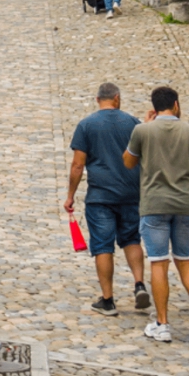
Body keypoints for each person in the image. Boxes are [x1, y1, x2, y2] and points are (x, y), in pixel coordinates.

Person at [125, 85, 189, 343]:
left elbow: (128, 162)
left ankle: (162, 324)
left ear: (155, 106)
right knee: (185, 259)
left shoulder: (142, 130)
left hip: (154, 204)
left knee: (159, 262)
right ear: (176, 105)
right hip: (185, 204)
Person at [65, 82, 149, 316]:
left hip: (101, 195)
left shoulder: (86, 125)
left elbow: (78, 164)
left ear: (97, 99)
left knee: (102, 245)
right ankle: (139, 284)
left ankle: (108, 299)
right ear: (117, 98)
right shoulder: (133, 123)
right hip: (131, 192)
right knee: (132, 239)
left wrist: (70, 195)